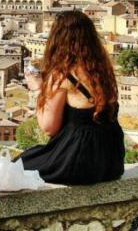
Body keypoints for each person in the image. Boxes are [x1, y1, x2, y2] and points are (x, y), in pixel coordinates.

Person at [15, 10, 124, 185]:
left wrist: (38, 90)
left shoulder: (62, 75)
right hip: (111, 161)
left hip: (78, 160)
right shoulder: (103, 71)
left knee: (17, 166)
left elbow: (49, 127)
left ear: (58, 40)